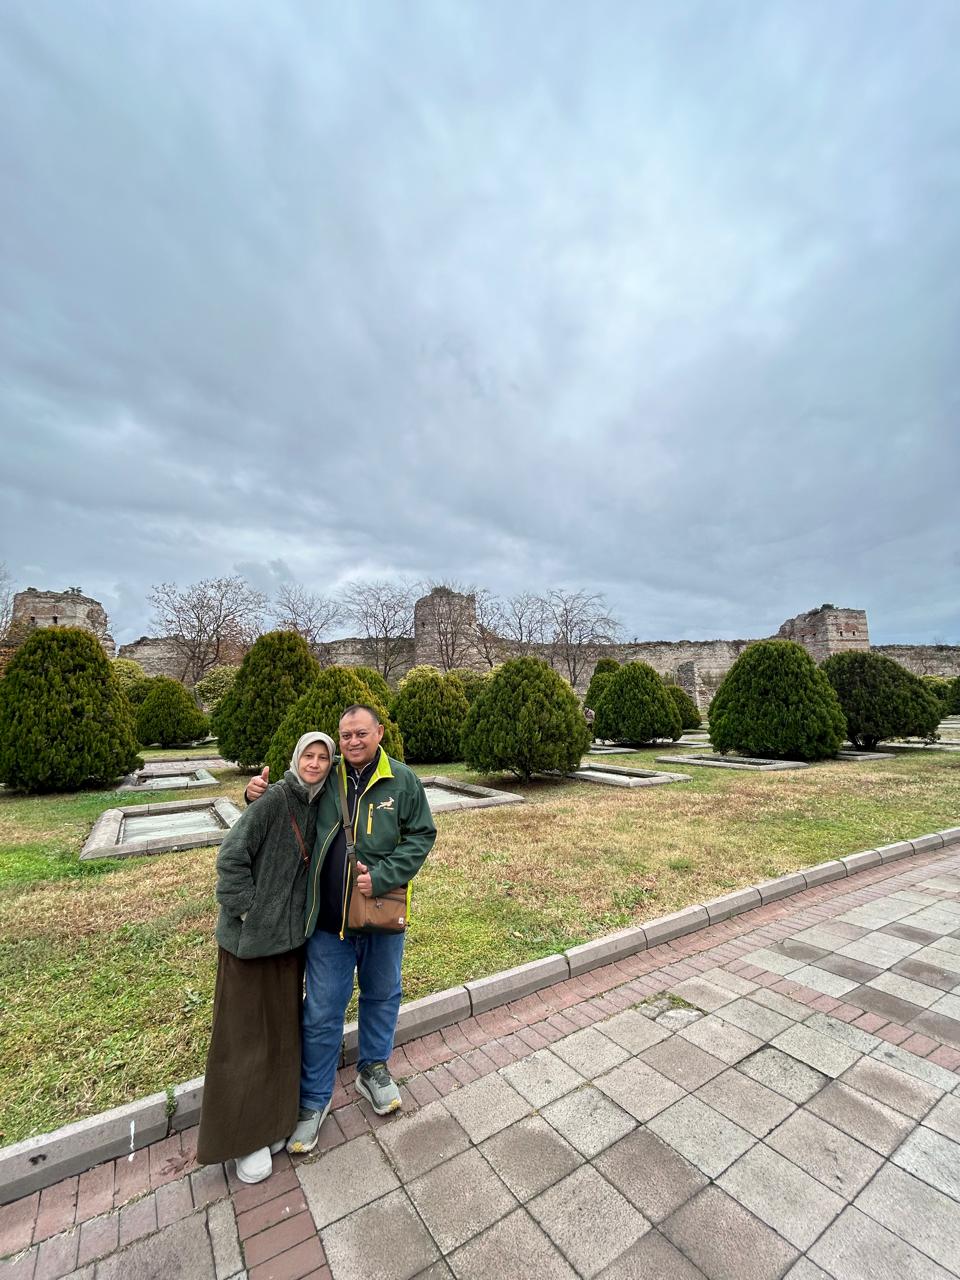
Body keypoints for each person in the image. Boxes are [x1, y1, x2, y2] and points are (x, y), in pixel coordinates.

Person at [246, 703, 436, 1153]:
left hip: (381, 918)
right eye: (345, 735)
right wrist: (255, 796)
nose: (352, 741)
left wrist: (385, 875)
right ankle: (314, 1099)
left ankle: (373, 1070)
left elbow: (422, 835)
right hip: (329, 922)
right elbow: (288, 796)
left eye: (361, 733)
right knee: (322, 1011)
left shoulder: (402, 780)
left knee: (383, 994)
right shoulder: (325, 776)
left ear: (379, 733)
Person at [197, 731, 335, 1184]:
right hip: (250, 945)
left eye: (323, 757)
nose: (314, 764)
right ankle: (242, 1138)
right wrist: (247, 912)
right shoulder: (274, 799)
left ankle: (273, 1124)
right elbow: (231, 858)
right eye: (308, 756)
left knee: (281, 1035)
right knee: (244, 1041)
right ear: (295, 759)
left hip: (290, 945)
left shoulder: (322, 803)